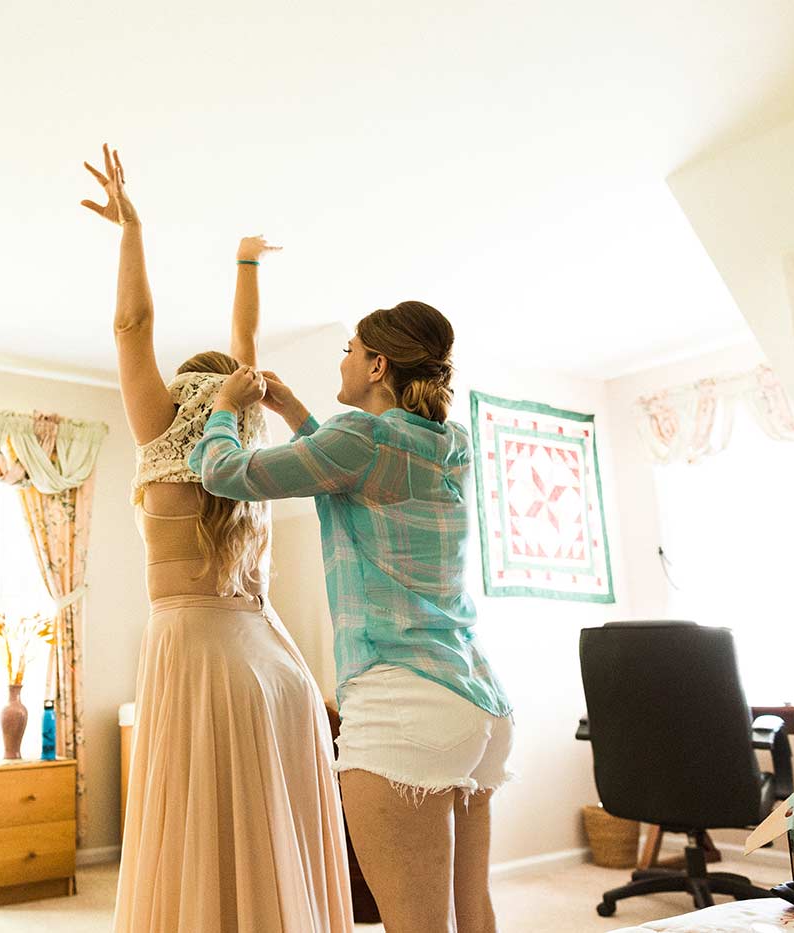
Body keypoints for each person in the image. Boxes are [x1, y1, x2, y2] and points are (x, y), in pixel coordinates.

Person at [81, 145, 352, 933]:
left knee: (199, 833)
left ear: (182, 392)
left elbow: (133, 324)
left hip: (198, 658)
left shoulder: (163, 430)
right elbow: (248, 345)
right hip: (275, 664)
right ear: (236, 392)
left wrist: (131, 230)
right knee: (266, 830)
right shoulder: (244, 448)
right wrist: (244, 263)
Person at [188, 301, 513, 933]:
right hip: (478, 701)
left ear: (377, 364)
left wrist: (226, 407)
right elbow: (349, 468)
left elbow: (224, 472)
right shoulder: (450, 444)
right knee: (472, 919)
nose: (344, 360)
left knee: (415, 924)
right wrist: (292, 412)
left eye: (349, 350)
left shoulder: (358, 440)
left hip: (402, 703)